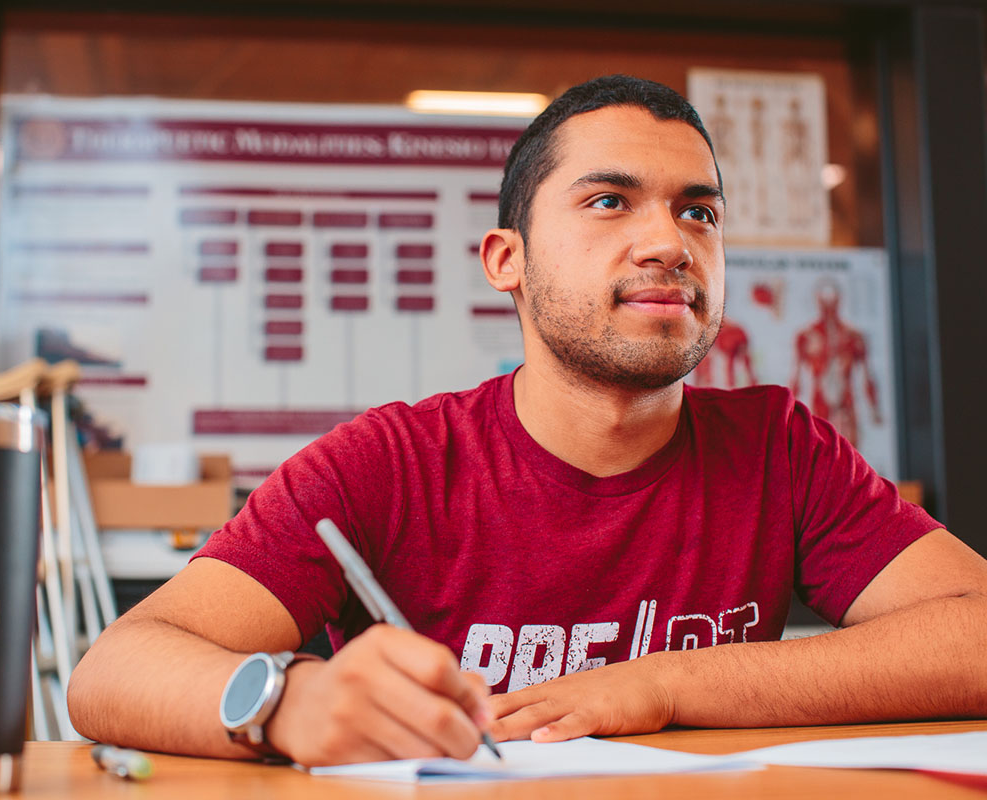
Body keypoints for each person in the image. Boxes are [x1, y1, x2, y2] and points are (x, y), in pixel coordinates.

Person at [67, 75, 987, 766]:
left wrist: (663, 684)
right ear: (506, 260)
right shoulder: (390, 463)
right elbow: (112, 673)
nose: (669, 241)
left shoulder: (777, 448)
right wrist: (286, 702)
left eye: (697, 212)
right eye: (608, 201)